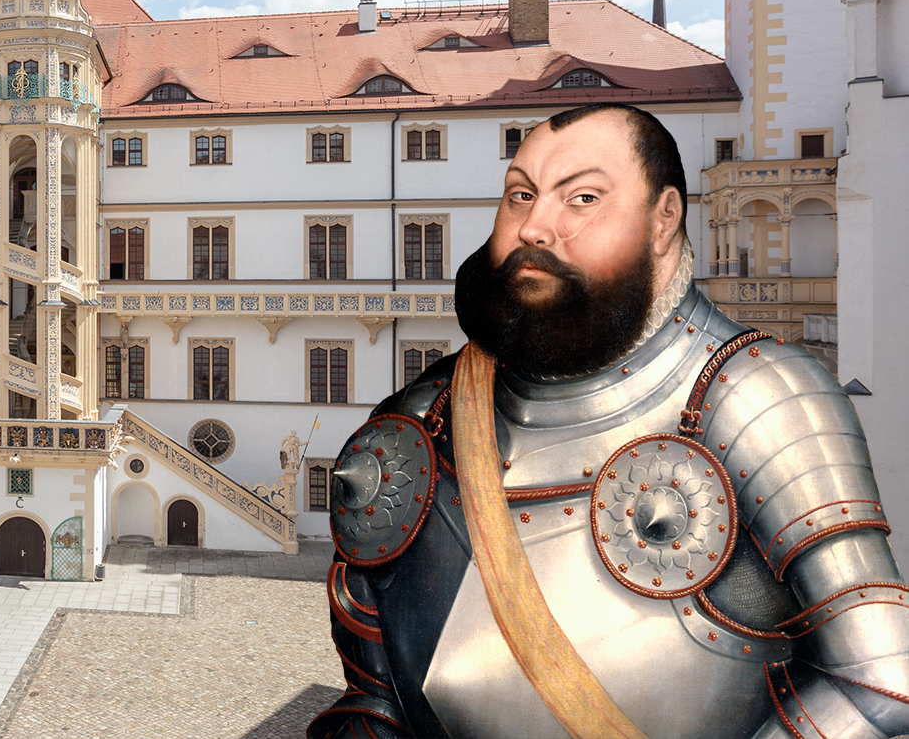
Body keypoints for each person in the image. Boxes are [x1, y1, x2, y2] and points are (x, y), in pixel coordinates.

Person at [311, 104, 909, 739]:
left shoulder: (755, 395)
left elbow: (881, 678)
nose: (535, 227)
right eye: (520, 195)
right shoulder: (416, 425)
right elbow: (378, 701)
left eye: (583, 198)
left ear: (664, 220)